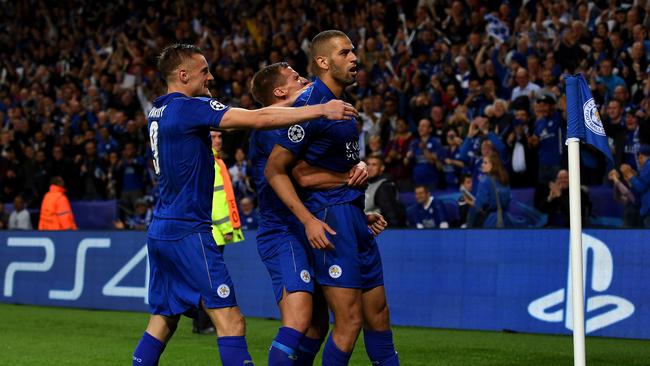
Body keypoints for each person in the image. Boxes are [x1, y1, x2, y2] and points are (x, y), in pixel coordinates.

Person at [133, 43, 357, 366]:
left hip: (161, 229)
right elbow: (257, 117)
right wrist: (321, 109)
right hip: (188, 233)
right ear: (183, 75)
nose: (210, 77)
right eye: (203, 71)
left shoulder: (159, 109)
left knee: (163, 320)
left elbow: (260, 112)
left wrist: (293, 100)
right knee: (232, 322)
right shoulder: (189, 107)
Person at [265, 30, 400, 366]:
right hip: (330, 220)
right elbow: (281, 170)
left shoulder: (341, 109)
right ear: (323, 61)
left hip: (352, 217)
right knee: (349, 321)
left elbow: (334, 167)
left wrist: (357, 193)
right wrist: (309, 219)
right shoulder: (310, 107)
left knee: (379, 316)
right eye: (344, 53)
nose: (354, 58)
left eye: (353, 51)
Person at [250, 61, 372, 365]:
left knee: (317, 325)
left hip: (310, 224)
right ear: (279, 92)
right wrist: (350, 179)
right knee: (300, 318)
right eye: (295, 78)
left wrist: (353, 210)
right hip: (283, 231)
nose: (304, 79)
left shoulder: (299, 120)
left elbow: (316, 174)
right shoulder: (273, 127)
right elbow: (304, 176)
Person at [466, 152, 512, 228]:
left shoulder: (484, 181)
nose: (482, 165)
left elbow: (480, 205)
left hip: (490, 221)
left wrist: (470, 202)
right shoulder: (505, 179)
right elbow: (509, 199)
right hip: (505, 219)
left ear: (493, 165)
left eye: (485, 163)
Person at [364, 156, 406, 227]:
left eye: (374, 165)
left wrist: (392, 234)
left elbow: (392, 215)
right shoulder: (367, 184)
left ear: (382, 168)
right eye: (368, 164)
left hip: (378, 233)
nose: (370, 168)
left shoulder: (384, 187)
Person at [620, 145, 650, 228]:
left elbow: (641, 187)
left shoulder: (648, 165)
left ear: (641, 156)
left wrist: (629, 175)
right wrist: (632, 176)